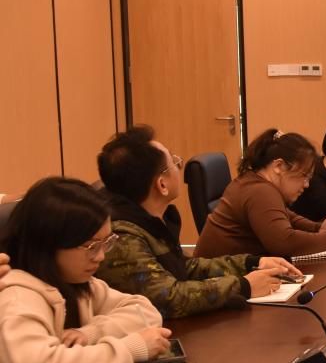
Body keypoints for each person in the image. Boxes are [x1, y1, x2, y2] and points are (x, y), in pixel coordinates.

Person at [94, 126, 304, 319]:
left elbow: (184, 268)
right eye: (174, 162)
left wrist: (251, 263)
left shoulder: (150, 219)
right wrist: (243, 286)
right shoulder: (122, 237)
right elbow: (167, 299)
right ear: (162, 184)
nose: (179, 166)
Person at [0, 178, 170, 363]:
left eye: (106, 242)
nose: (100, 256)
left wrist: (90, 333)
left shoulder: (75, 283)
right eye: (91, 246)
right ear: (48, 244)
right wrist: (130, 349)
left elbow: (145, 312)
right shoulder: (18, 297)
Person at [195, 129, 326, 258]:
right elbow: (284, 242)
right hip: (216, 280)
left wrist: (317, 228)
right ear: (279, 166)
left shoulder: (254, 181)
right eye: (304, 175)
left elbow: (286, 215)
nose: (306, 184)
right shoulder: (259, 191)